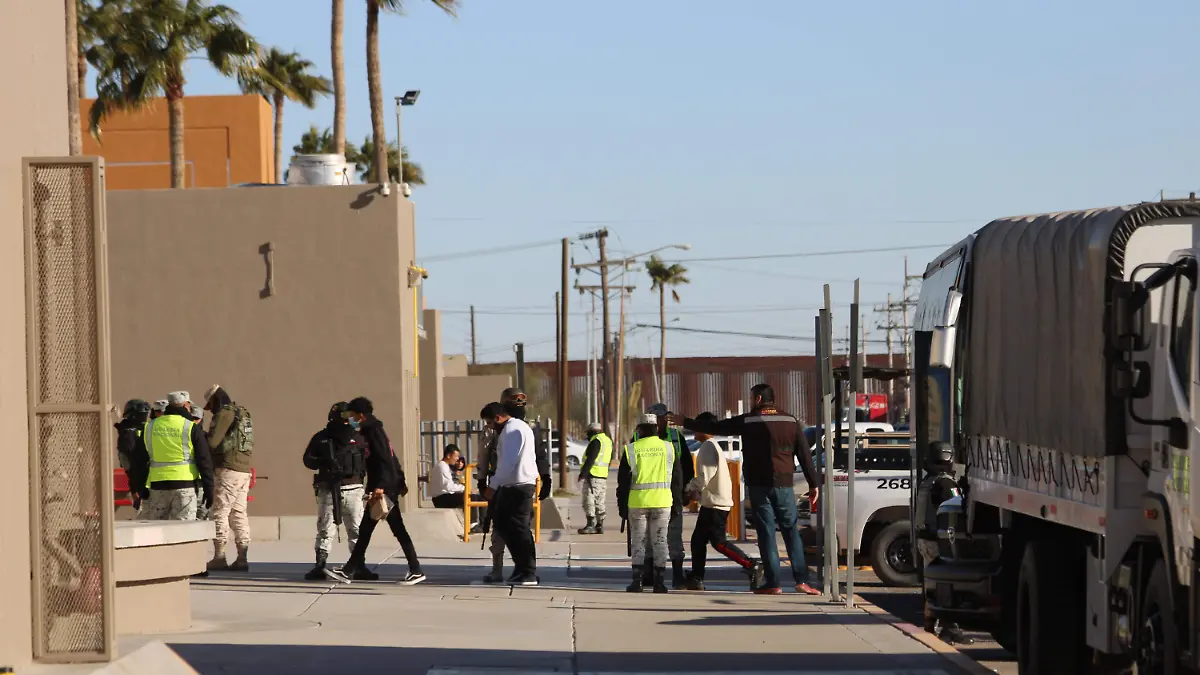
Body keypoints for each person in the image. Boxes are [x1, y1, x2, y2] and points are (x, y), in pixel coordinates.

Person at [672, 383, 820, 595]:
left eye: (751, 398)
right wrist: (813, 483)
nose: (751, 402)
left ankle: (773, 583)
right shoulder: (790, 421)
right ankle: (802, 580)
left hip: (758, 485)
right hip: (784, 483)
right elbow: (804, 454)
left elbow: (716, 427)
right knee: (790, 530)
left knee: (766, 533)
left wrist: (685, 421)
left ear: (758, 399)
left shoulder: (749, 420)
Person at [327, 397, 425, 585]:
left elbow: (385, 460)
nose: (351, 419)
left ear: (361, 416)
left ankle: (416, 569)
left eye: (352, 415)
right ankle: (350, 569)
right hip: (386, 486)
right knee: (369, 530)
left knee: (387, 530)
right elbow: (391, 459)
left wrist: (381, 486)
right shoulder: (372, 429)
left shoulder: (373, 431)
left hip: (385, 489)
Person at [683, 412, 764, 591]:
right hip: (713, 502)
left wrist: (690, 489)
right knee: (698, 541)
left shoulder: (707, 447)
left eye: (697, 426)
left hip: (715, 504)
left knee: (718, 542)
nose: (694, 430)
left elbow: (704, 475)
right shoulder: (711, 446)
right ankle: (696, 576)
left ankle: (751, 564)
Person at [302, 401, 367, 581]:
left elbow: (367, 461)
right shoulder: (322, 437)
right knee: (326, 529)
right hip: (329, 489)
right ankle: (320, 565)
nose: (347, 421)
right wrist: (324, 461)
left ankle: (359, 565)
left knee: (356, 529)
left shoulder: (358, 438)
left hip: (353, 489)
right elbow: (308, 460)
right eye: (345, 416)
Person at [915, 441, 972, 644]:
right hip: (938, 540)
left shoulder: (927, 481)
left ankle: (929, 625)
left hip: (924, 539)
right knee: (946, 585)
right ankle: (950, 627)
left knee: (931, 585)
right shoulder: (946, 483)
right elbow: (955, 509)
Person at [128, 391, 215, 522]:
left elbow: (139, 460)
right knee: (184, 530)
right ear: (185, 406)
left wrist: (140, 487)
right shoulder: (190, 427)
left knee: (157, 529)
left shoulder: (150, 427)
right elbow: (204, 460)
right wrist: (209, 488)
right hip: (185, 486)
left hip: (157, 486)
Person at [617, 414, 679, 594]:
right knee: (660, 541)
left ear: (639, 429)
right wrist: (677, 505)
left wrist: (622, 507)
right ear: (656, 428)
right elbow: (676, 479)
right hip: (663, 502)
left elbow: (623, 482)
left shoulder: (631, 449)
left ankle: (637, 582)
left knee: (638, 541)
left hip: (638, 502)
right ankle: (659, 583)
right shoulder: (668, 448)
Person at [484, 390, 539, 586]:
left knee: (518, 530)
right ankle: (522, 568)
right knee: (508, 527)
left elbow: (508, 462)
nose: (490, 427)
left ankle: (528, 572)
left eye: (490, 423)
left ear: (498, 418)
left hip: (518, 486)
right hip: (515, 485)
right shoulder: (518, 427)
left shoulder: (511, 430)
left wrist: (493, 485)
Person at [635, 403, 693, 588]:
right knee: (648, 539)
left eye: (664, 417)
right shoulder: (636, 438)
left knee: (674, 538)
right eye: (659, 417)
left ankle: (677, 576)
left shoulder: (676, 437)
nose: (663, 421)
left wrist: (685, 491)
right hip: (644, 498)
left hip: (670, 497)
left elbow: (686, 467)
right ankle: (649, 576)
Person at [202, 385, 254, 573]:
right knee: (239, 513)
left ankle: (219, 556)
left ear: (214, 400)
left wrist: (200, 436)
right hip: (243, 470)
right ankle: (242, 558)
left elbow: (213, 442)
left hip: (227, 469)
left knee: (220, 512)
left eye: (210, 405)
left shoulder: (224, 414)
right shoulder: (242, 413)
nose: (211, 410)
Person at [477, 402, 510, 583]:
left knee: (518, 530)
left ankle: (525, 569)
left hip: (514, 485)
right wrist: (482, 481)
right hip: (499, 485)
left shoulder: (515, 428)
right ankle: (498, 569)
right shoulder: (492, 432)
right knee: (499, 528)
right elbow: (483, 456)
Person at [575, 422, 612, 535]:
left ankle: (590, 525)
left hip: (593, 475)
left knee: (589, 500)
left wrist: (583, 474)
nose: (587, 436)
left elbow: (591, 459)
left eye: (588, 433)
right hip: (602, 476)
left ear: (592, 432)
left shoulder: (596, 441)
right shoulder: (607, 441)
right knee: (599, 501)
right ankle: (600, 525)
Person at [116, 399, 151, 510]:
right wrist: (134, 489)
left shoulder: (129, 432)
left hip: (147, 484)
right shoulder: (128, 434)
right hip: (144, 485)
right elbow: (129, 465)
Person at [430, 444, 467, 509]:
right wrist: (465, 488)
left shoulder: (444, 466)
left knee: (474, 497)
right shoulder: (442, 466)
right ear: (449, 456)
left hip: (443, 497)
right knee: (469, 497)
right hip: (441, 499)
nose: (457, 459)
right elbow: (448, 487)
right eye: (456, 456)